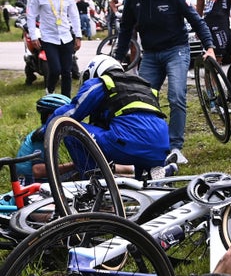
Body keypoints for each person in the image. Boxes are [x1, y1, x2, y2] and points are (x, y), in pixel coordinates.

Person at [114, 0, 217, 166]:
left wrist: (209, 47)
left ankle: (175, 146)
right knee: (142, 100)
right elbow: (125, 30)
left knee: (176, 96)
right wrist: (116, 60)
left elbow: (196, 20)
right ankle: (149, 143)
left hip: (176, 50)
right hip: (151, 54)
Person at [36, 55, 176, 181]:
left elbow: (71, 113)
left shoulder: (101, 83)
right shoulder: (144, 86)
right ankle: (153, 173)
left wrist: (46, 128)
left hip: (127, 145)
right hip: (161, 147)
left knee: (68, 128)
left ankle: (93, 181)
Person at [25, 0, 82, 97]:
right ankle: (50, 91)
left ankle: (66, 100)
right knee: (55, 69)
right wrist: (33, 36)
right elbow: (31, 16)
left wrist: (78, 36)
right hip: (49, 38)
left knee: (67, 71)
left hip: (66, 37)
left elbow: (74, 16)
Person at [15, 93, 72, 184]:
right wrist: (74, 165)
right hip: (32, 184)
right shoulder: (43, 134)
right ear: (51, 116)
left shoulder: (44, 130)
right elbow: (37, 171)